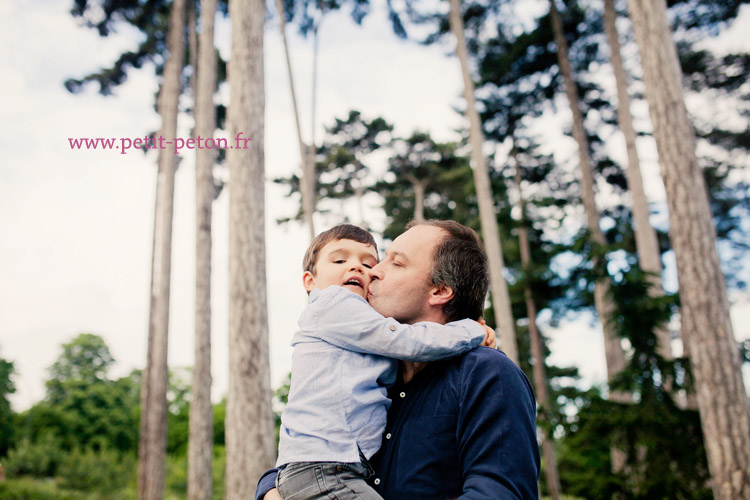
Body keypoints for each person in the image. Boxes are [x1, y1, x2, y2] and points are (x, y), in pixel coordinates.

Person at [258, 220, 541, 500]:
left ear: (439, 291)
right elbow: (309, 450)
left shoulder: (487, 373)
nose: (372, 272)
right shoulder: (368, 370)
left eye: (396, 263)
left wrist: (470, 332)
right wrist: (270, 489)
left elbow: (500, 492)